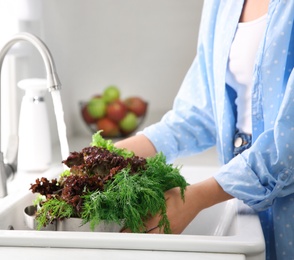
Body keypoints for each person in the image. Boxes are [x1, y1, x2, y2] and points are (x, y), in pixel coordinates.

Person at [115, 1, 294, 259]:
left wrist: (195, 198)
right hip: (240, 198)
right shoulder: (221, 4)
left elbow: (289, 142)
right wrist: (119, 153)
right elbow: (205, 109)